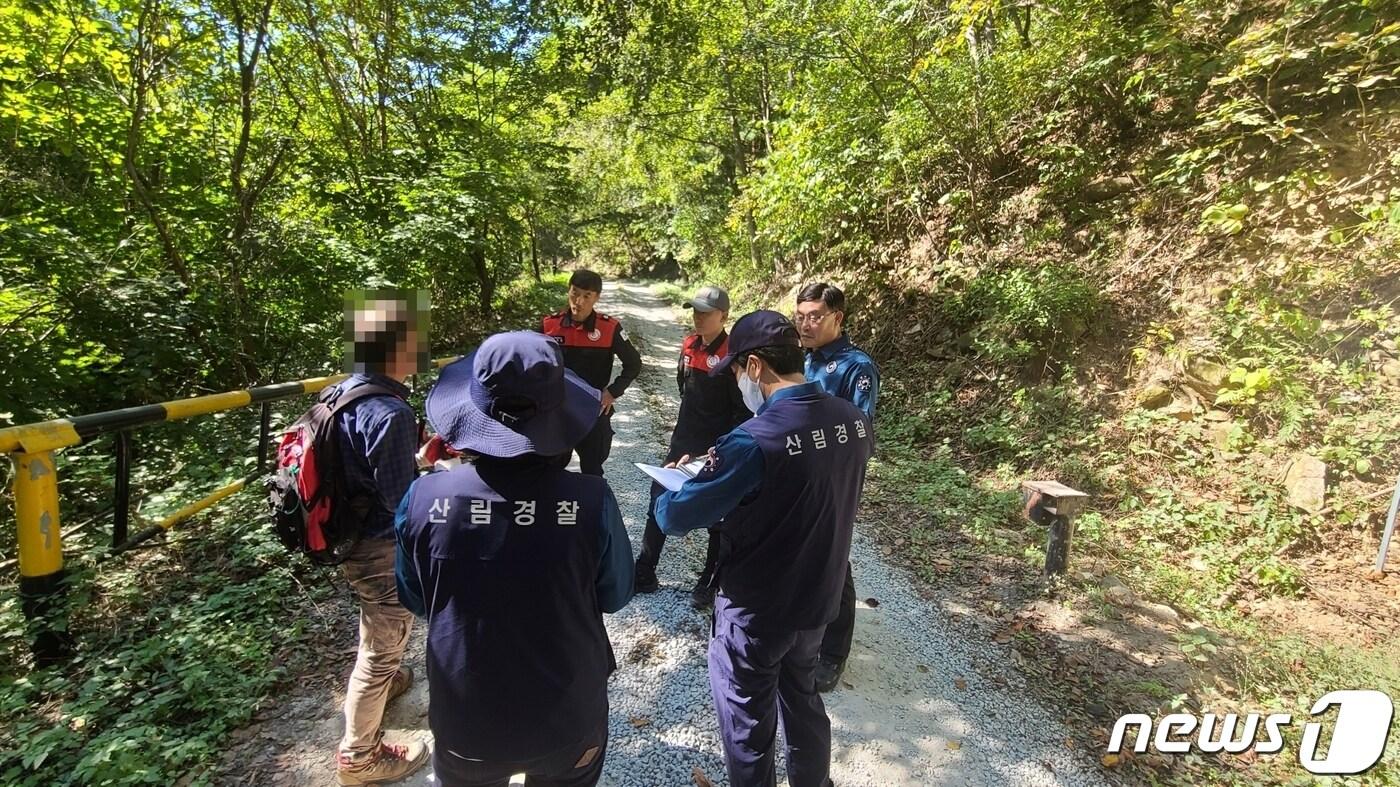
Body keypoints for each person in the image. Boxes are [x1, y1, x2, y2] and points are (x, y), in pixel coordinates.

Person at [396, 331, 635, 787]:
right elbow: (616, 592)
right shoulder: (590, 500)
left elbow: (416, 597)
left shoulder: (424, 498)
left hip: (466, 716)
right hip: (568, 715)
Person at [655, 310, 874, 787]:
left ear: (755, 367)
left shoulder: (754, 440)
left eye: (735, 372)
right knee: (804, 700)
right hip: (818, 597)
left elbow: (674, 518)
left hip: (758, 609)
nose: (737, 384)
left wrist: (684, 482)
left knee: (748, 722)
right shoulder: (854, 421)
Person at [332, 290, 431, 786]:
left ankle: (387, 684)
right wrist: (434, 476)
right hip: (375, 543)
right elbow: (402, 502)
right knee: (384, 642)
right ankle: (360, 757)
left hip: (347, 535)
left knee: (377, 624)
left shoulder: (342, 392)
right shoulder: (390, 413)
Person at [634, 285, 749, 608]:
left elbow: (740, 412)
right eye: (695, 311)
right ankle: (644, 570)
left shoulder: (733, 356)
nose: (698, 317)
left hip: (718, 446)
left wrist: (719, 449)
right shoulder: (688, 345)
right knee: (659, 499)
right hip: (683, 438)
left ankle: (708, 583)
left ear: (723, 316)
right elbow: (684, 389)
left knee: (718, 515)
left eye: (706, 312)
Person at [795, 282, 880, 693]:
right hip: (798, 474)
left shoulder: (855, 367)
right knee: (804, 550)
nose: (806, 324)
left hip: (833, 479)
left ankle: (833, 652)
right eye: (801, 316)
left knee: (835, 559)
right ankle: (804, 631)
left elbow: (860, 432)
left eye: (815, 316)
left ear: (837, 318)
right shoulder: (803, 358)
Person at [540, 269, 643, 476]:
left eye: (587, 296)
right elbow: (531, 361)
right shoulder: (549, 325)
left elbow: (633, 363)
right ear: (568, 291)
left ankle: (591, 508)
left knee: (592, 469)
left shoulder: (609, 328)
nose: (579, 301)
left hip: (593, 409)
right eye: (575, 293)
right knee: (549, 469)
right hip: (558, 410)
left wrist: (612, 392)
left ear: (597, 298)